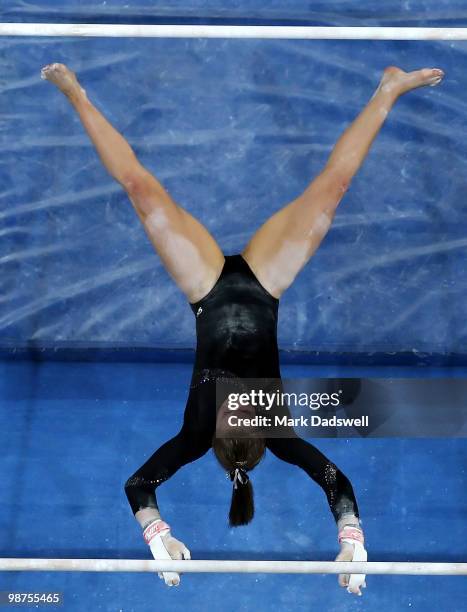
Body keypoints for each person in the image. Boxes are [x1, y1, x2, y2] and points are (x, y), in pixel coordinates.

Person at [42, 62, 444, 595]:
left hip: (206, 290)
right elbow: (336, 483)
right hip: (264, 284)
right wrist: (352, 538)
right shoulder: (276, 434)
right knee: (332, 187)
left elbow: (139, 485)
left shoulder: (195, 436)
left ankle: (77, 95)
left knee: (141, 187)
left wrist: (158, 536)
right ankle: (388, 88)